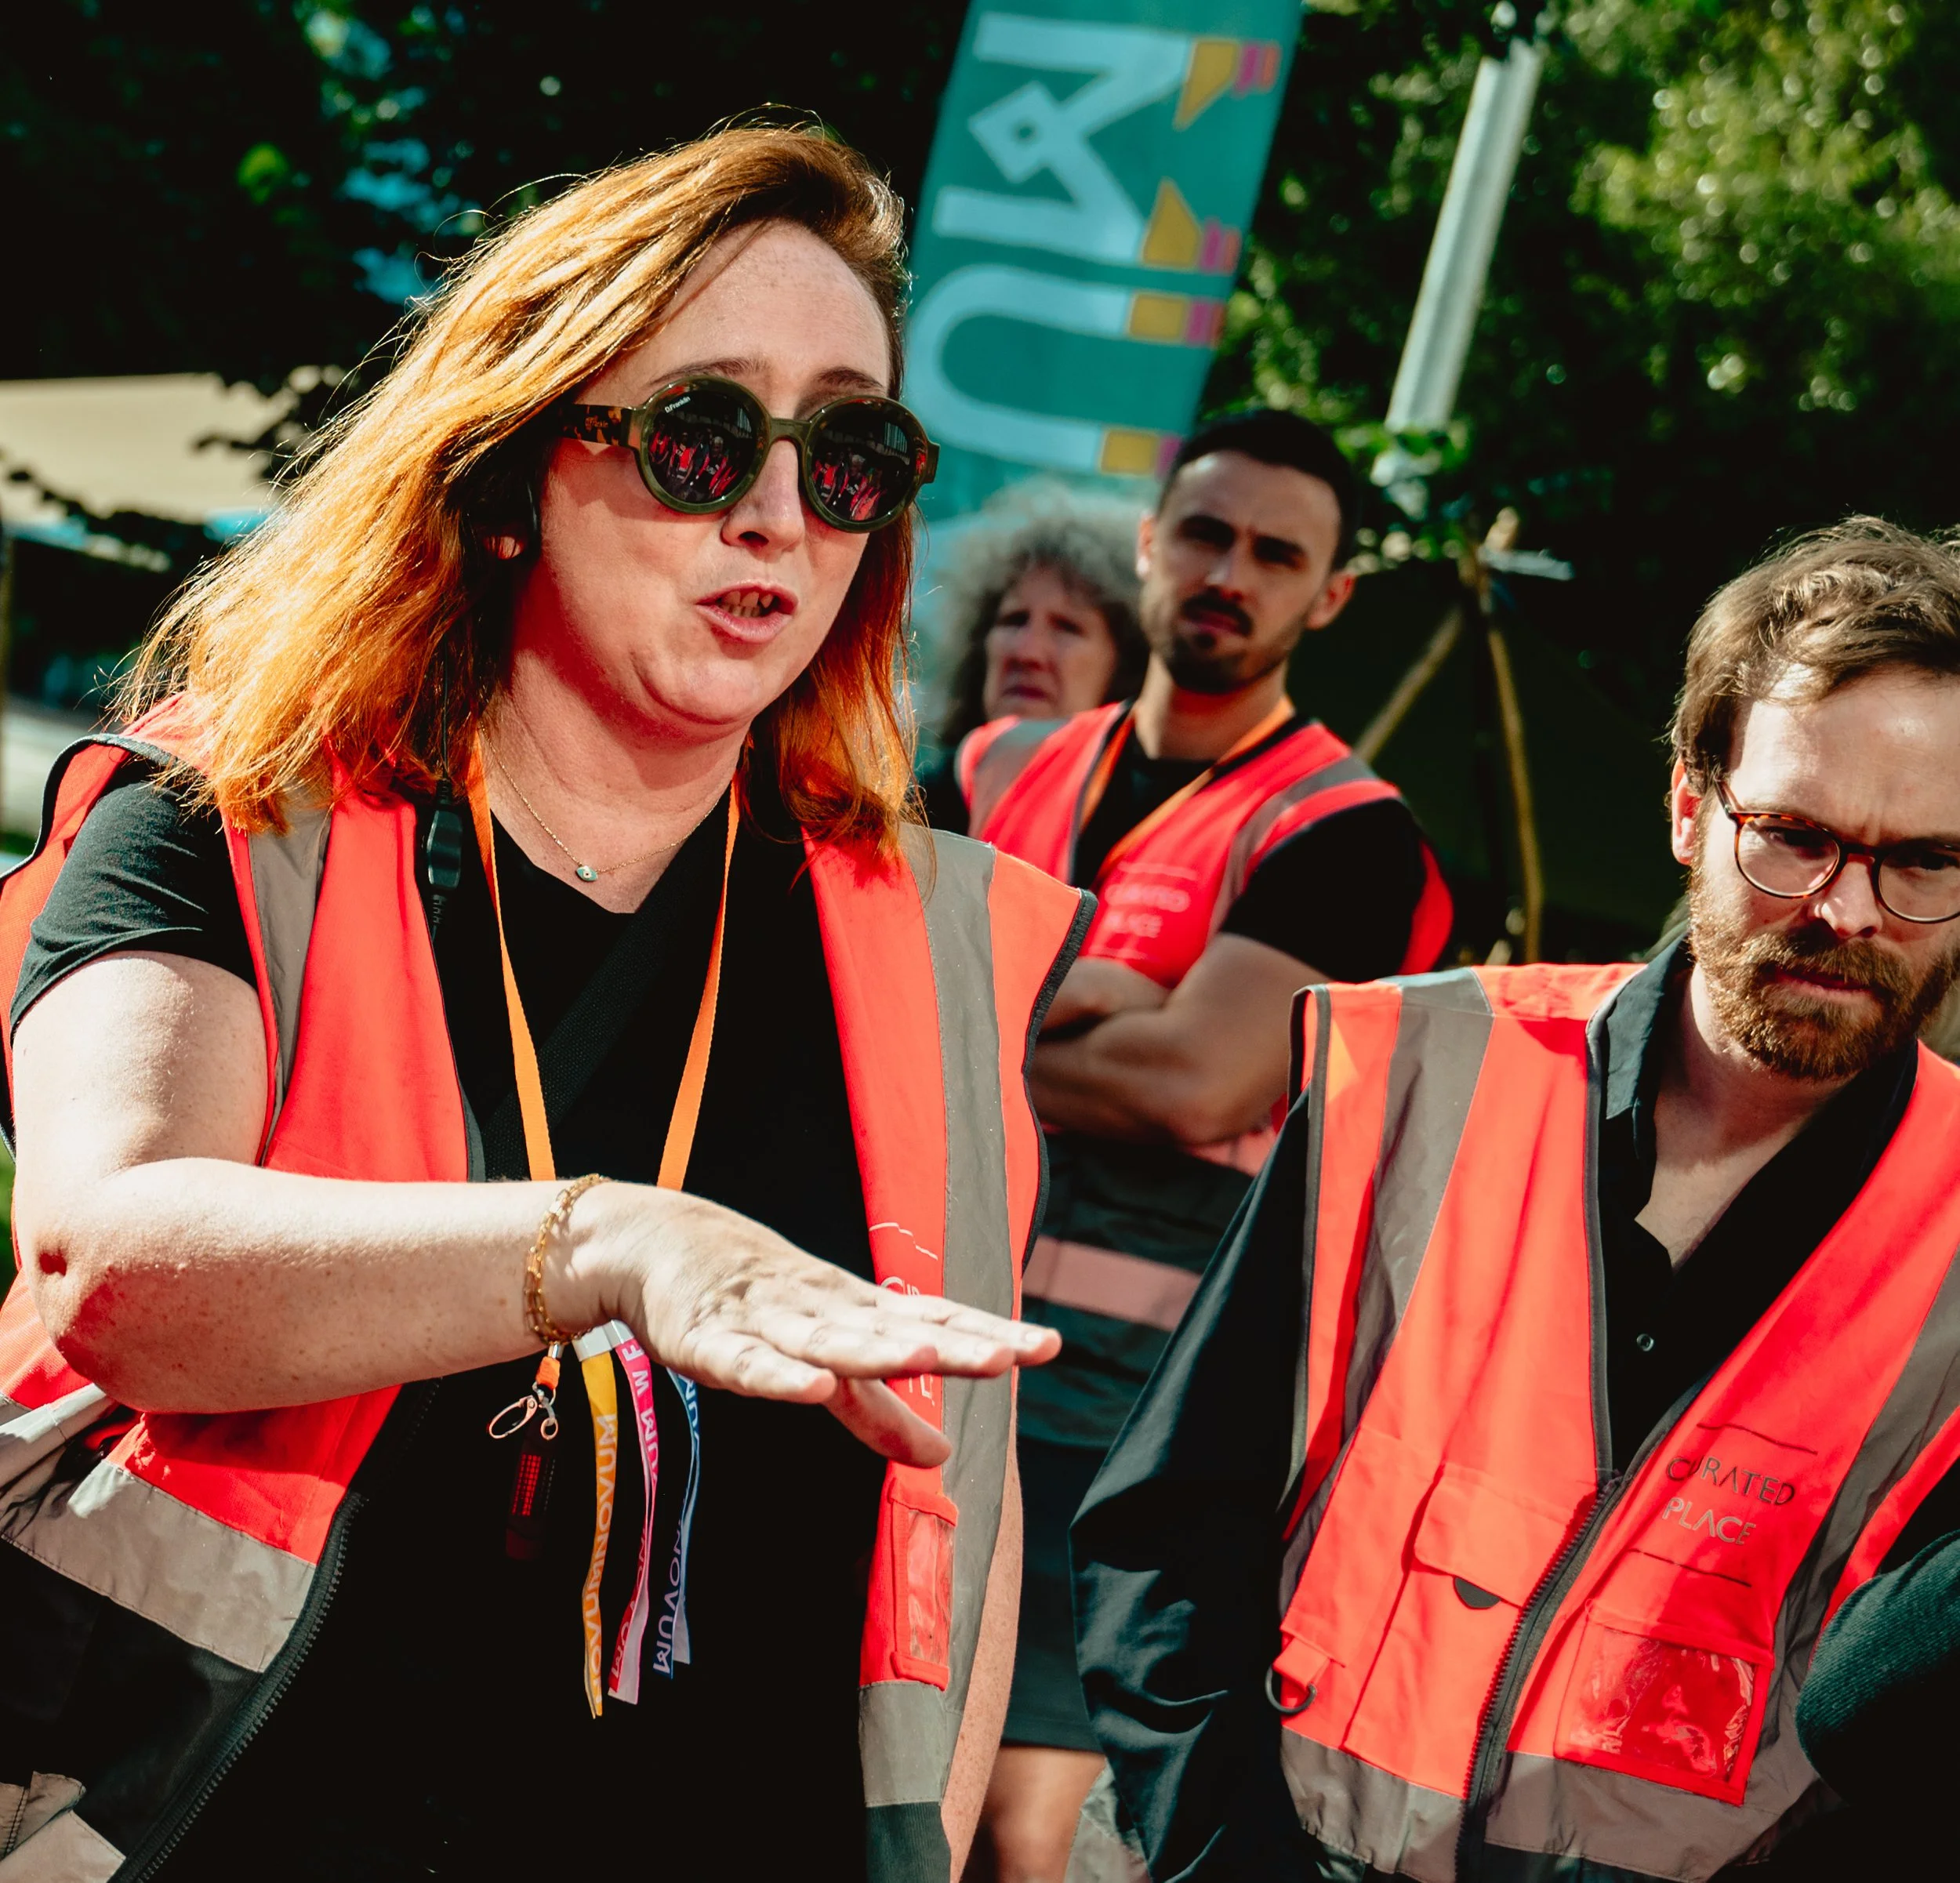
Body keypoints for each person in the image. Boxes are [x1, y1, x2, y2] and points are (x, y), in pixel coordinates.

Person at [0, 128, 1087, 1883]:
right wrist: (608, 1244)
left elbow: (971, 1495)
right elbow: (107, 1265)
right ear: (510, 469)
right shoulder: (228, 822)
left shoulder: (934, 935)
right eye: (700, 434)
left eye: (849, 453)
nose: (772, 513)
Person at [1071, 517, 1960, 1882]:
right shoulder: (1422, 1069)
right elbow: (1168, 1534)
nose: (1847, 908)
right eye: (1792, 835)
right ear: (1687, 806)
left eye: (1924, 862)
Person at [955, 410, 1452, 1881]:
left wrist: (993, 1010)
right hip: (914, 1321)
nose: (1230, 572)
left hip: (1121, 1395)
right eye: (1207, 534)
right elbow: (859, 1006)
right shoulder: (999, 768)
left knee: (1017, 1825)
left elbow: (1193, 1084)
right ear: (1150, 542)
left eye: (1276, 554)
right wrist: (1103, 998)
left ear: (1330, 597)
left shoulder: (1348, 832)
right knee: (861, 1752)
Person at [916, 481, 1148, 830]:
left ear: (1126, 665)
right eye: (1014, 620)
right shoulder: (914, 812)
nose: (1027, 652)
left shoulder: (1136, 833)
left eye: (1067, 627)